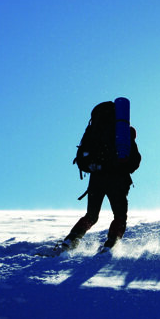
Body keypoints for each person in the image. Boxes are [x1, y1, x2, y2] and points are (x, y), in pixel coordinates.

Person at [60, 101, 141, 252]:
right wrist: (123, 166)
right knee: (120, 216)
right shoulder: (123, 131)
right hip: (118, 179)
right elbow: (135, 160)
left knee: (91, 215)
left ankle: (71, 239)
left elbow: (81, 157)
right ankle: (111, 244)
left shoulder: (93, 130)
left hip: (96, 178)